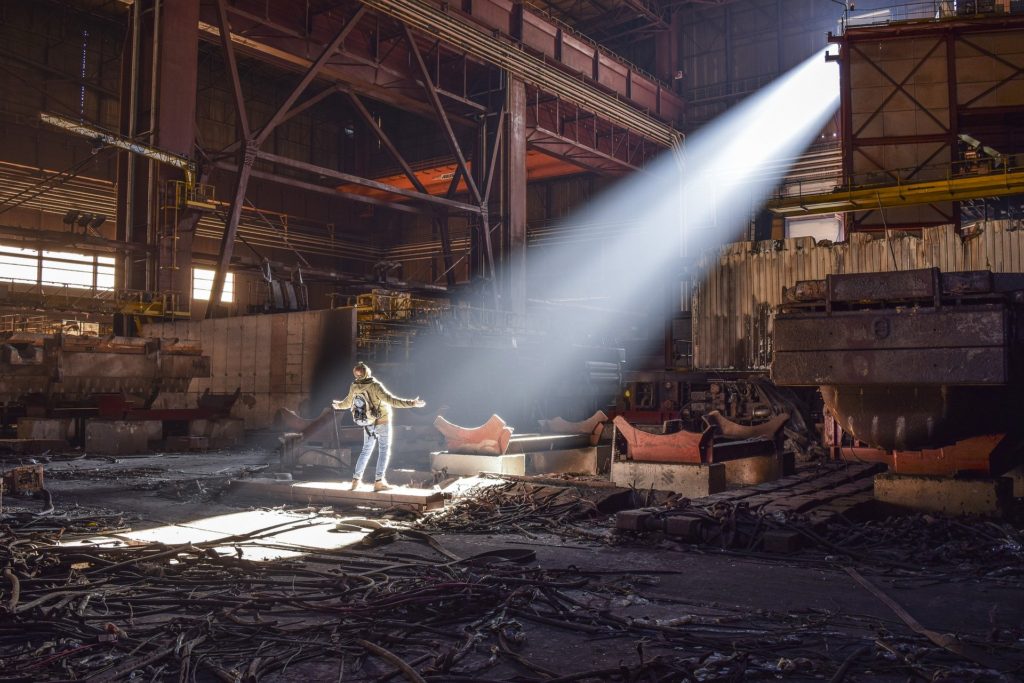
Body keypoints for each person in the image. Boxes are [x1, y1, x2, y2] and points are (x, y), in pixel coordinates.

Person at [332, 362, 425, 491]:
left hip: (367, 423)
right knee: (384, 450)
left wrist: (338, 405)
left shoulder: (354, 386)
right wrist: (412, 403)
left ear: (356, 374)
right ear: (368, 372)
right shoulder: (374, 386)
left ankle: (355, 481)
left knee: (365, 451)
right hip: (382, 421)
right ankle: (379, 482)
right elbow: (392, 401)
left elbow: (347, 403)